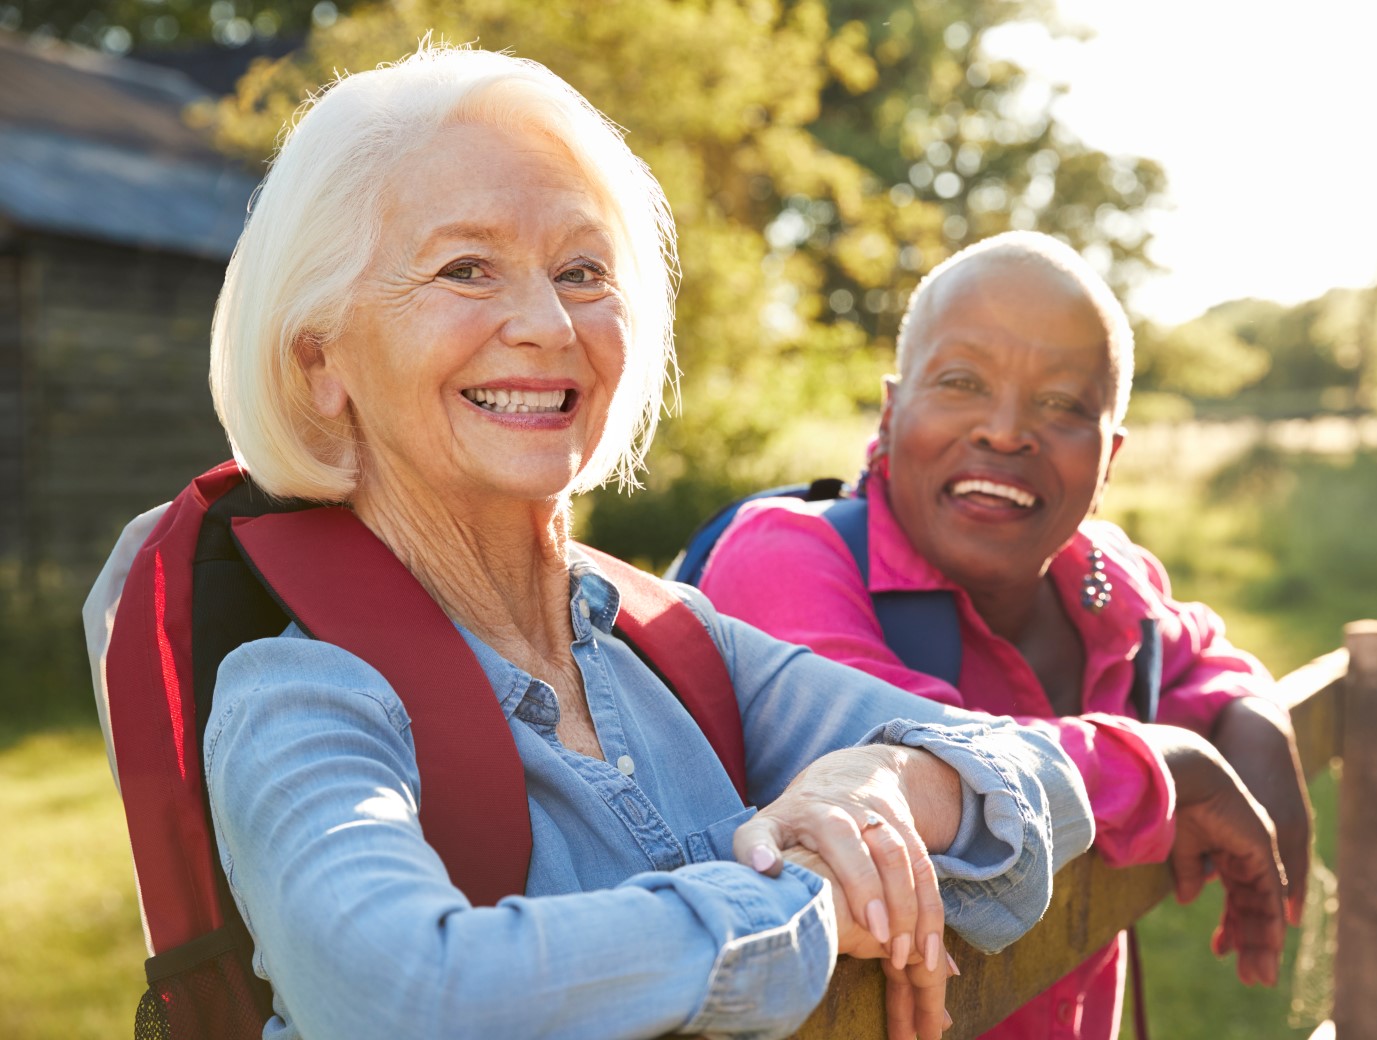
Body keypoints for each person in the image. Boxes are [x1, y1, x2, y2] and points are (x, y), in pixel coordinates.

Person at [82, 50, 1096, 1040]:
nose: (547, 322)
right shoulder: (298, 697)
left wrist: (873, 786)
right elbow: (411, 994)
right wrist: (810, 901)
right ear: (319, 363)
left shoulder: (675, 641)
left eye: (581, 270)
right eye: (466, 268)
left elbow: (1042, 778)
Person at [700, 231, 1312, 1040]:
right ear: (892, 409)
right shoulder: (786, 559)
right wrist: (1172, 764)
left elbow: (1197, 655)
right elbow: (934, 775)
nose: (1006, 430)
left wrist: (1255, 720)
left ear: (1110, 458)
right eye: (960, 382)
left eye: (1062, 404)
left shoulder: (1102, 581)